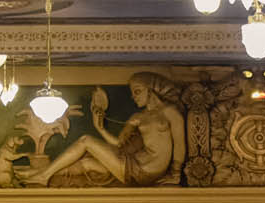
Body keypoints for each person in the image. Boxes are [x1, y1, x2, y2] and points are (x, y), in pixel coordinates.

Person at [29, 74, 186, 186]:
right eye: (132, 93)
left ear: (150, 90)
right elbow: (119, 143)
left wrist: (176, 173)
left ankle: (44, 175)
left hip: (144, 170)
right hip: (133, 164)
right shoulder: (137, 117)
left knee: (86, 140)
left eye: (137, 91)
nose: (134, 97)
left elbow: (179, 144)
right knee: (86, 163)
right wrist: (100, 128)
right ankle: (39, 174)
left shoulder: (169, 112)